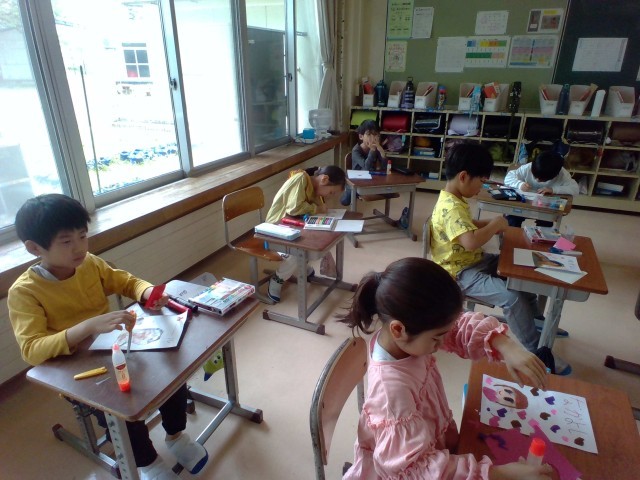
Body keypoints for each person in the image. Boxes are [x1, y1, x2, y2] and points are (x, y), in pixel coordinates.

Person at [8, 194, 208, 480]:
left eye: (83, 236)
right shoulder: (24, 291)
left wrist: (146, 292)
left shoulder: (88, 263)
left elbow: (125, 281)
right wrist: (88, 327)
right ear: (34, 248)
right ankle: (148, 463)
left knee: (172, 373)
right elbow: (31, 349)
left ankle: (176, 437)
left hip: (114, 348)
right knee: (120, 408)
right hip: (75, 371)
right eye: (66, 241)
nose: (79, 247)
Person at [340, 257, 552, 480]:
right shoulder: (392, 394)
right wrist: (499, 474)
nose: (443, 342)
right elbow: (416, 470)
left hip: (432, 445)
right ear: (398, 329)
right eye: (437, 338)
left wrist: (504, 345)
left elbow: (456, 327)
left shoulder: (404, 337)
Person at [430, 142, 571, 375]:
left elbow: (467, 227)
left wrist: (490, 223)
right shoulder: (451, 207)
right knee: (511, 297)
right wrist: (494, 225)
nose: (482, 186)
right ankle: (536, 350)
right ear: (464, 177)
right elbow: (470, 241)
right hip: (458, 274)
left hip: (472, 261)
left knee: (517, 268)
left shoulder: (453, 200)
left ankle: (534, 318)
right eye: (481, 181)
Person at [266, 165, 346, 302]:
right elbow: (293, 208)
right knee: (298, 251)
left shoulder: (314, 188)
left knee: (314, 240)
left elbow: (315, 209)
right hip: (275, 228)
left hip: (292, 226)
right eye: (331, 192)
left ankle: (302, 267)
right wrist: (317, 209)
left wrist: (319, 208)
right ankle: (277, 279)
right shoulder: (300, 179)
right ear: (324, 179)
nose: (329, 196)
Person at [504, 150, 579, 227]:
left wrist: (553, 190)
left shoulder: (562, 175)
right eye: (535, 176)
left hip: (545, 207)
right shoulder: (527, 168)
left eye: (542, 179)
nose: (537, 180)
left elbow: (575, 189)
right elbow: (508, 178)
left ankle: (540, 234)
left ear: (555, 175)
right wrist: (520, 184)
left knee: (547, 222)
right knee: (513, 219)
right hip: (524, 205)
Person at [340, 120, 387, 206]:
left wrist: (382, 153)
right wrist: (372, 150)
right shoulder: (356, 150)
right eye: (369, 134)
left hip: (371, 179)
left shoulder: (376, 148)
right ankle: (349, 191)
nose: (372, 138)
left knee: (389, 192)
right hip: (356, 179)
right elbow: (366, 167)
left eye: (375, 134)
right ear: (361, 136)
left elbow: (385, 167)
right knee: (345, 201)